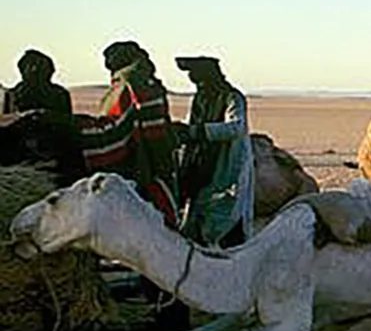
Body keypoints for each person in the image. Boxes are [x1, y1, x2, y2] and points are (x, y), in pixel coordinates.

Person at [78, 41, 180, 227]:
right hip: (141, 165)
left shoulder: (128, 85)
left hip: (142, 165)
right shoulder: (137, 84)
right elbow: (155, 132)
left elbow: (152, 130)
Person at [175, 56, 254, 248]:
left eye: (197, 75)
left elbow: (235, 127)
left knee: (224, 219)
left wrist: (197, 132)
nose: (194, 80)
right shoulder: (200, 99)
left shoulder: (232, 97)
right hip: (202, 165)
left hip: (226, 167)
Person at [4, 49, 73, 117]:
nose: (34, 70)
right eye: (30, 66)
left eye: (40, 66)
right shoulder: (12, 95)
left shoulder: (60, 94)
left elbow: (67, 121)